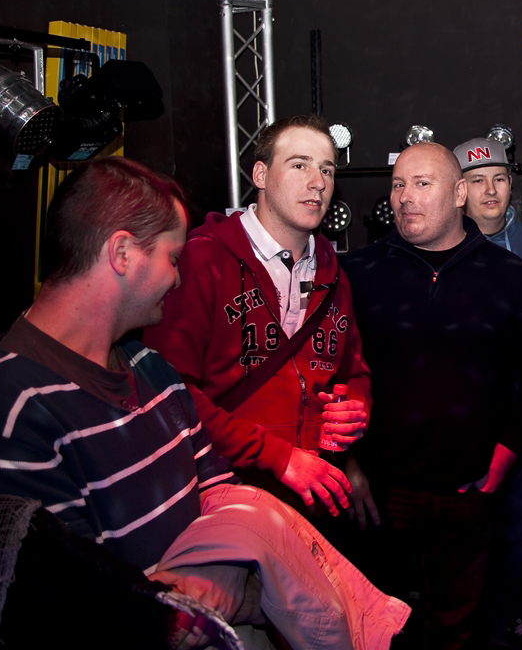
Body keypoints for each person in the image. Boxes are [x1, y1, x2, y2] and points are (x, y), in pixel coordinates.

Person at [0, 156, 409, 650]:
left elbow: (224, 495)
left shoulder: (151, 371)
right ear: (122, 253)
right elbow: (63, 611)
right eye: (173, 258)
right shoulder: (1, 406)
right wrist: (225, 596)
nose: (178, 279)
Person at [342, 142, 522, 650]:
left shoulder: (508, 276)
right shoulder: (359, 273)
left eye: (422, 184)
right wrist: (348, 462)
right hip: (381, 494)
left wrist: (506, 454)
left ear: (459, 193)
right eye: (398, 185)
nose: (405, 197)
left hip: (469, 491)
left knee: (458, 628)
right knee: (376, 625)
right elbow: (330, 372)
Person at [143, 114, 371, 520]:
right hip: (226, 491)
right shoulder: (203, 258)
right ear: (261, 175)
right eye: (299, 165)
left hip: (316, 490)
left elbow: (353, 371)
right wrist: (278, 458)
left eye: (327, 170)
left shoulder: (333, 270)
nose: (317, 182)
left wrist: (355, 407)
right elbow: (171, 392)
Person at [453, 137, 522, 648]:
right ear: (460, 190)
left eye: (499, 179)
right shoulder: (443, 244)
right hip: (466, 418)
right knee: (466, 525)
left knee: (518, 520)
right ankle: (466, 618)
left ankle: (508, 610)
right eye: (477, 180)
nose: (490, 190)